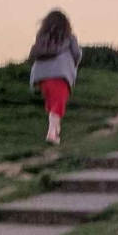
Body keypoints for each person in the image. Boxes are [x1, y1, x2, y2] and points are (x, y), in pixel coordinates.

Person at [28, 9, 83, 144]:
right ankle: (52, 134)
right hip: (60, 74)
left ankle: (55, 130)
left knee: (52, 103)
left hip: (41, 76)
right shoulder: (69, 37)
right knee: (58, 104)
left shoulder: (42, 37)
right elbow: (77, 54)